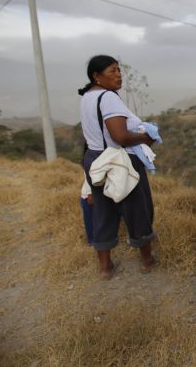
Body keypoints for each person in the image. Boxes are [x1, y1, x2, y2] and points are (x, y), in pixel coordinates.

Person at [78, 55, 156, 280]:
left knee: (103, 211)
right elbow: (120, 136)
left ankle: (105, 268)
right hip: (119, 161)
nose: (119, 75)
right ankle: (147, 260)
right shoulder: (108, 97)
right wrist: (144, 138)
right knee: (137, 209)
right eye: (112, 71)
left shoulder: (87, 97)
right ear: (97, 76)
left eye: (119, 70)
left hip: (95, 159)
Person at [80, 175, 93, 245]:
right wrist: (89, 193)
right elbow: (88, 175)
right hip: (88, 196)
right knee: (90, 220)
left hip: (94, 194)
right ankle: (92, 241)